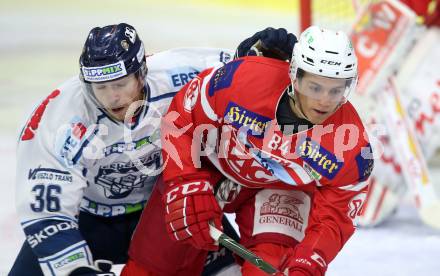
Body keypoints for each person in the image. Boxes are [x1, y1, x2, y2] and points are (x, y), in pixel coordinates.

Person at [9, 23, 296, 276]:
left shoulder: (177, 73)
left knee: (232, 272)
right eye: (101, 87)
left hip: (164, 209)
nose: (112, 96)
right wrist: (76, 271)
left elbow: (237, 75)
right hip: (90, 220)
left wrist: (265, 62)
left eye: (120, 84)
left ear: (142, 72)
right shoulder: (61, 119)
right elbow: (47, 213)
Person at [122, 26, 374, 276]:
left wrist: (310, 261)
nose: (325, 101)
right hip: (211, 167)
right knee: (150, 267)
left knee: (272, 268)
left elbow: (335, 217)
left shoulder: (352, 145)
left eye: (336, 90)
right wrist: (185, 180)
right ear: (295, 76)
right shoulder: (244, 80)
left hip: (279, 188)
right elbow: (182, 118)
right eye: (315, 87)